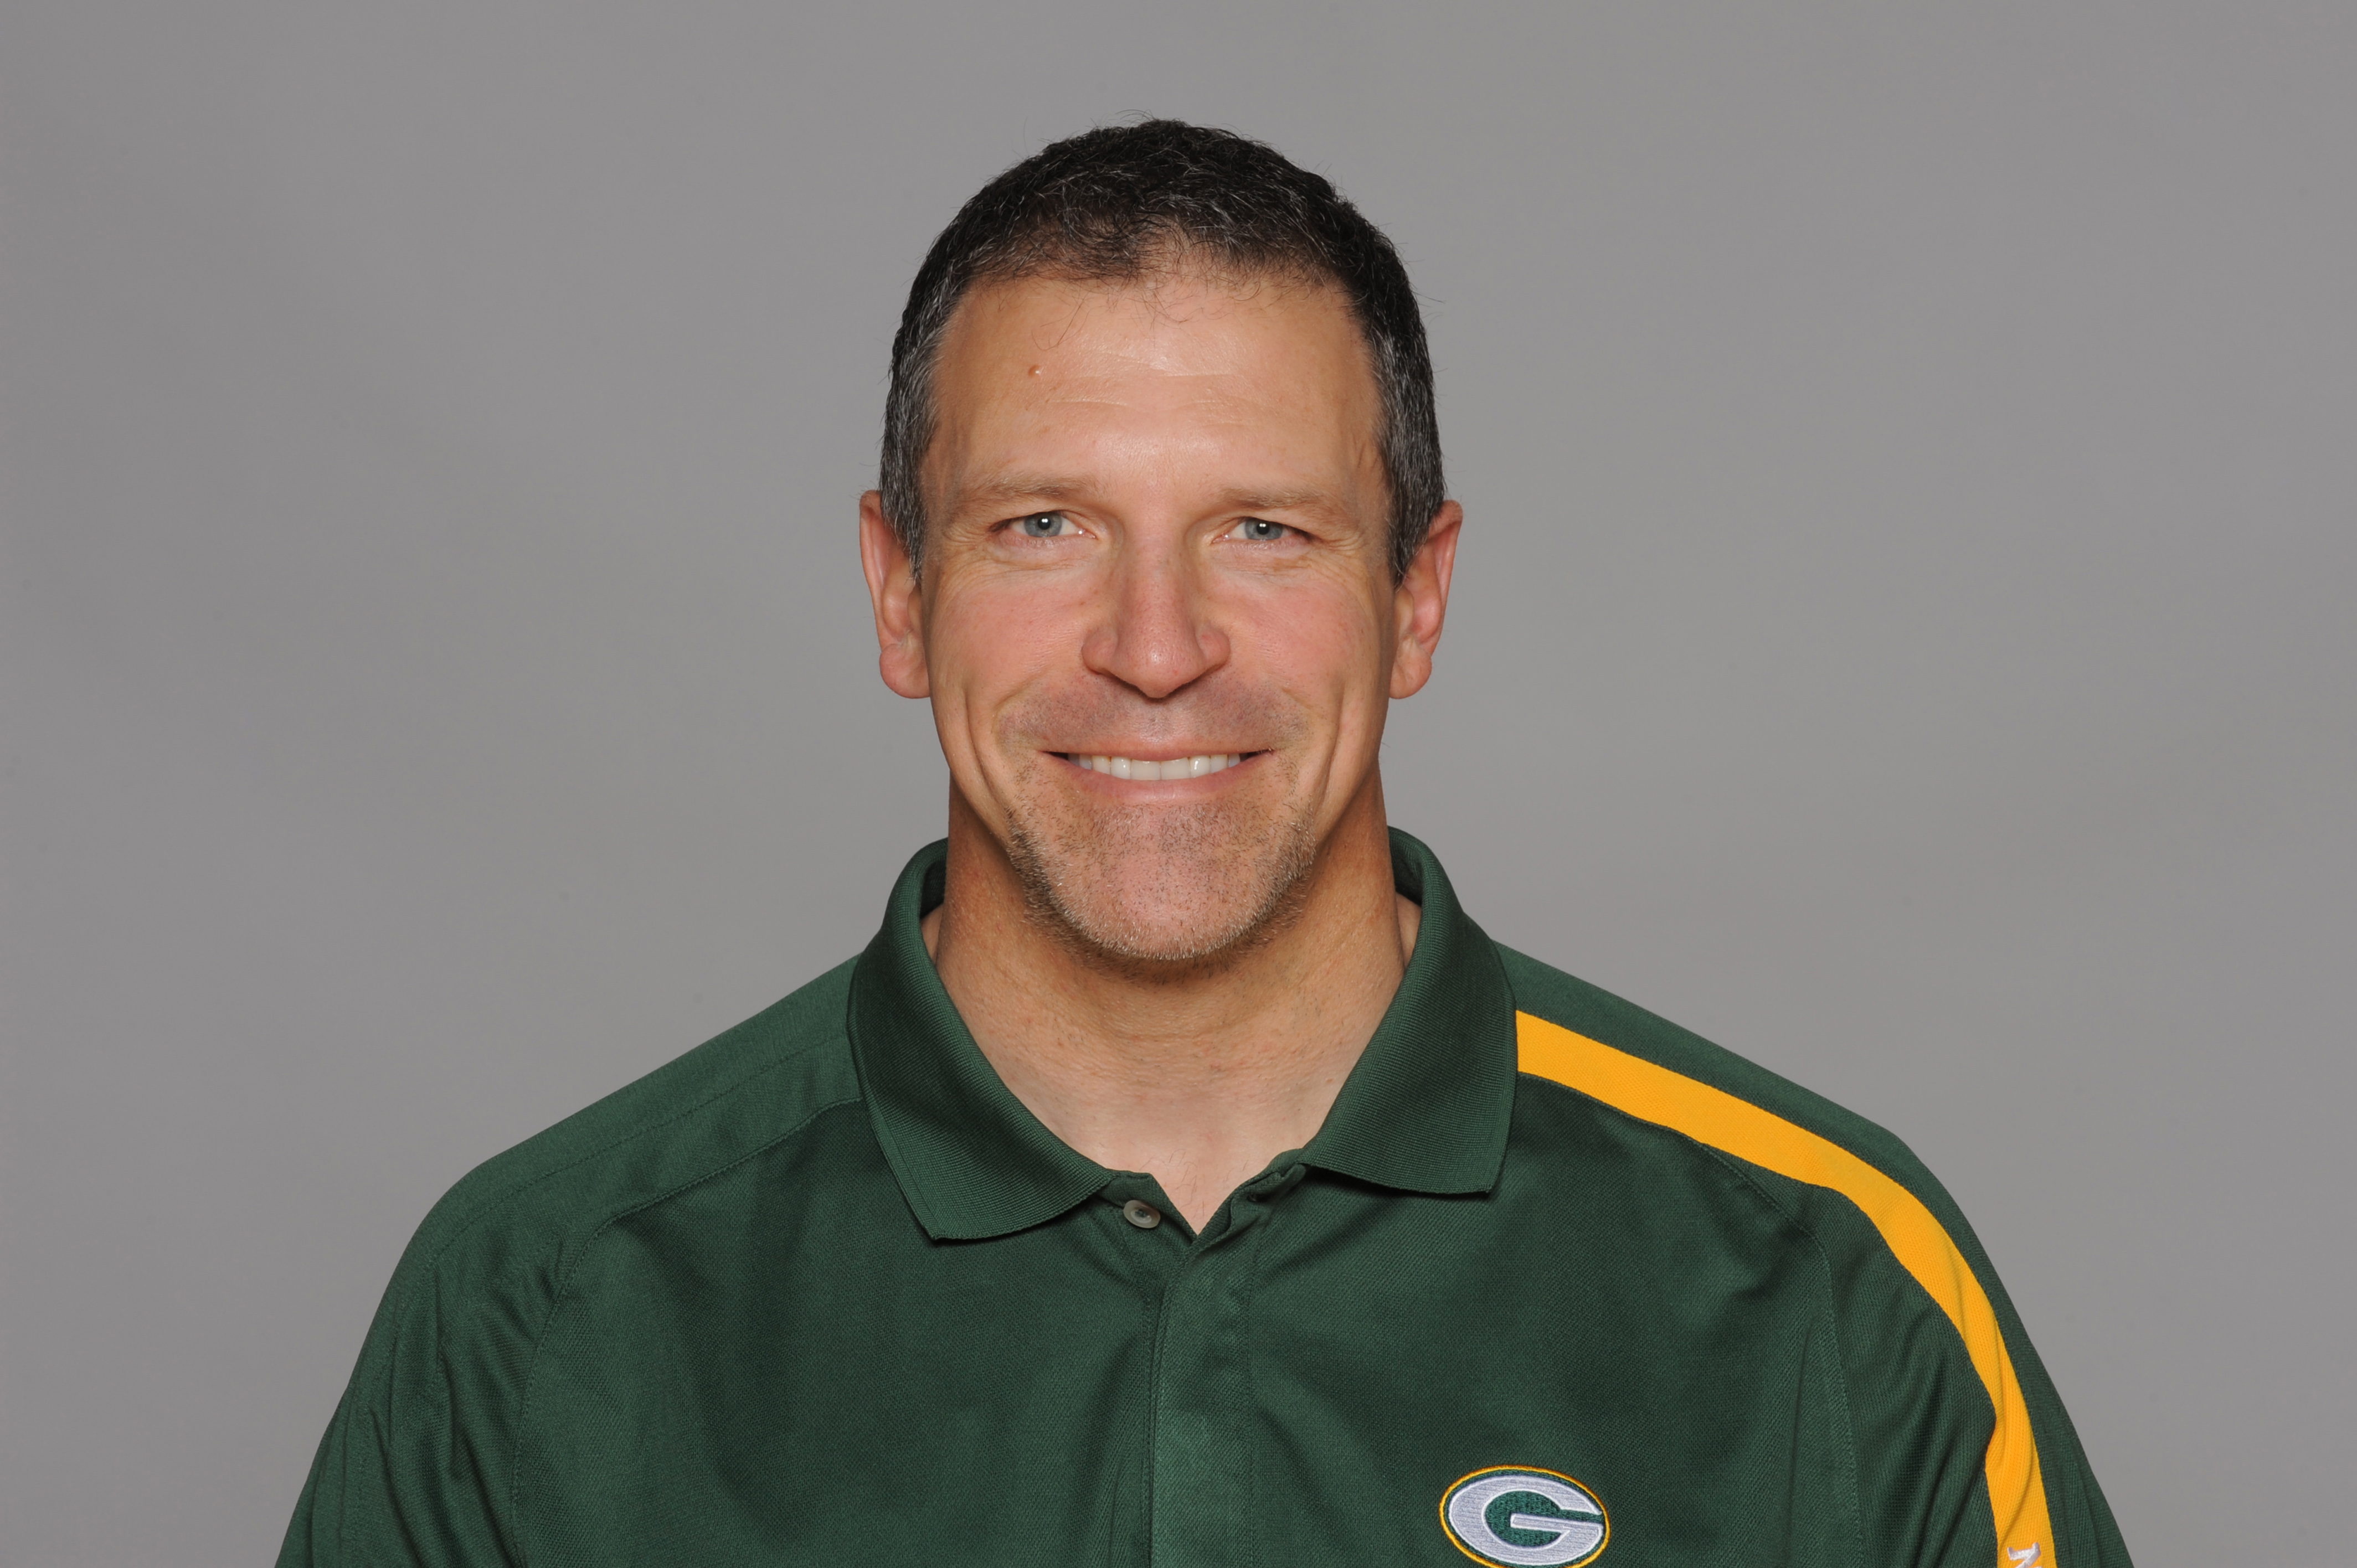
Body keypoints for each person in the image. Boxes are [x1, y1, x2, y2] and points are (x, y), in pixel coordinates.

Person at [279, 121, 2129, 1568]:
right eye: (1043, 527)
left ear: (1416, 597)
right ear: (899, 591)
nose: (1155, 650)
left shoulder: (1828, 1283)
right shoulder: (545, 1309)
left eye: (1264, 531)